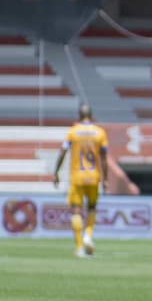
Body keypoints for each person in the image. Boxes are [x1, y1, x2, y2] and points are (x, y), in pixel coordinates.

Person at [52, 103, 108, 258]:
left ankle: (79, 247)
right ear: (91, 115)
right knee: (91, 208)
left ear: (78, 115)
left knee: (76, 211)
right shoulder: (99, 133)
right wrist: (106, 179)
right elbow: (104, 158)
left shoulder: (73, 132)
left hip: (77, 178)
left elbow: (63, 152)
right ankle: (88, 236)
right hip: (94, 177)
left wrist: (56, 172)